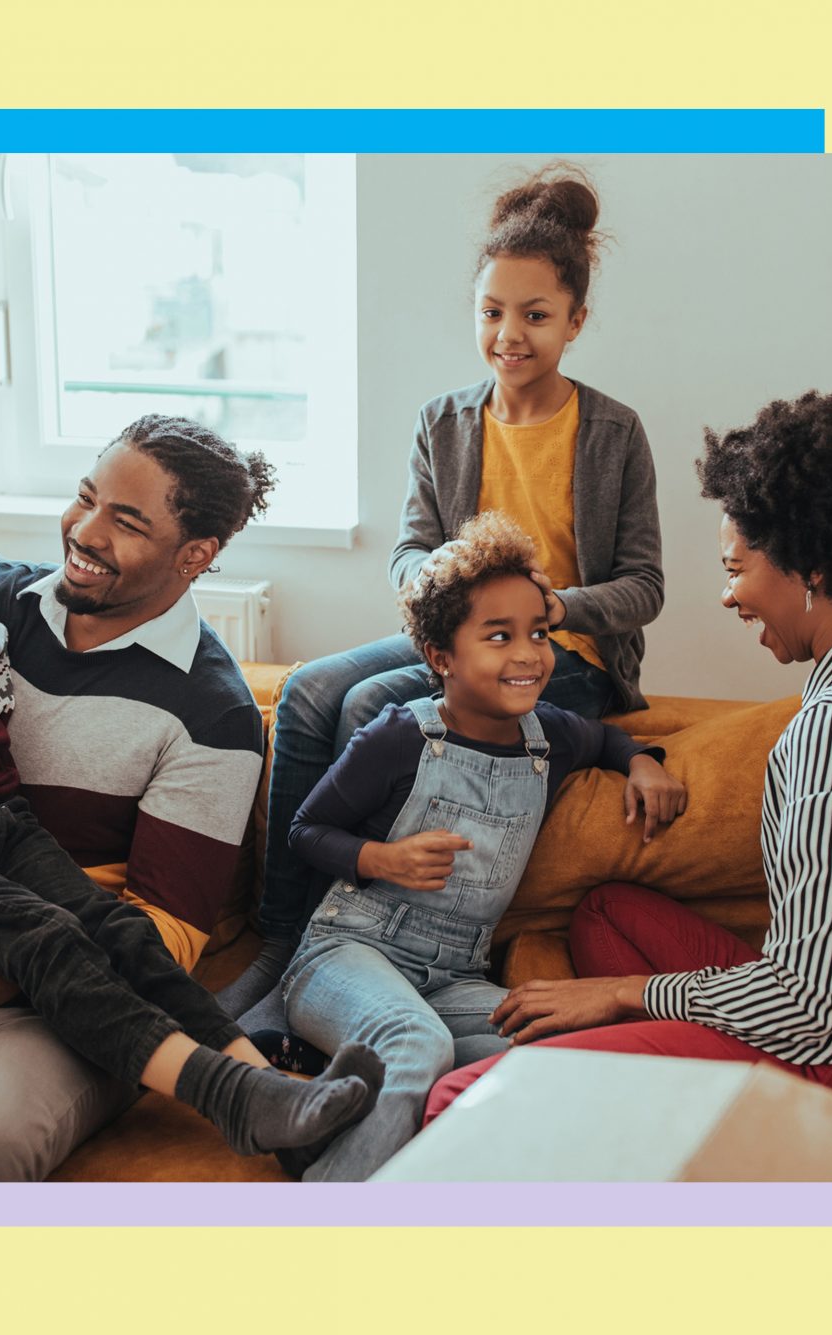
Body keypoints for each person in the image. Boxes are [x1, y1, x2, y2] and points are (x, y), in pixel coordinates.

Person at [0, 417, 373, 1180]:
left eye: (125, 521)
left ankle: (257, 1096)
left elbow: (165, 939)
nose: (83, 533)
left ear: (195, 556)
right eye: (86, 498)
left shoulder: (214, 713)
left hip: (80, 998)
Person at [220, 164, 666, 1021]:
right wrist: (427, 587)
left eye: (536, 315)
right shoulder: (443, 420)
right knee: (314, 688)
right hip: (461, 635)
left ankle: (361, 941)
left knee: (371, 710)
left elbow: (643, 584)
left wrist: (553, 612)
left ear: (576, 320)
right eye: (492, 312)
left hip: (559, 653)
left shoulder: (614, 431)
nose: (510, 334)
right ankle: (284, 936)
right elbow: (408, 552)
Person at [426, 391, 832, 1124]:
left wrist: (626, 993)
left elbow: (810, 1007)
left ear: (813, 569)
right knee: (608, 911)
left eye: (737, 567)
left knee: (458, 1098)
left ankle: (628, 1105)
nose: (729, 595)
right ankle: (638, 1101)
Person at [269, 512, 685, 1180]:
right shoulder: (398, 734)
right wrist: (383, 858)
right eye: (499, 636)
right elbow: (305, 830)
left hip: (455, 976)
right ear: (441, 656)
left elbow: (608, 739)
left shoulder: (552, 733)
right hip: (347, 953)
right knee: (416, 1042)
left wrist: (643, 761)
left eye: (539, 634)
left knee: (542, 1058)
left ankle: (331, 1123)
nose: (528, 654)